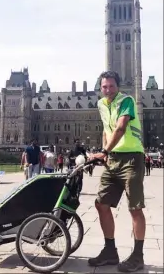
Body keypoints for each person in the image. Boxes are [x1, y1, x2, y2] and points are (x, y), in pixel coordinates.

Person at [88, 71, 146, 272]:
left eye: (111, 86)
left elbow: (120, 128)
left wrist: (104, 151)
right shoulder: (101, 104)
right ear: (100, 87)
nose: (108, 89)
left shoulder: (127, 100)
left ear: (118, 87)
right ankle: (110, 251)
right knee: (101, 204)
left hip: (131, 157)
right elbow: (107, 129)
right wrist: (105, 154)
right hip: (113, 159)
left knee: (134, 207)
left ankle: (138, 256)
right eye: (104, 86)